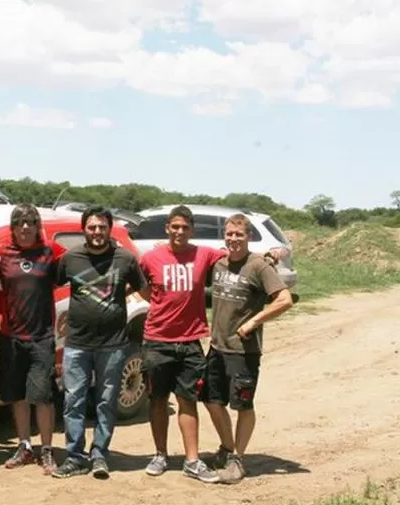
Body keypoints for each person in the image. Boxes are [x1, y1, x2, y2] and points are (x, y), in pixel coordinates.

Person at [138, 205, 287, 484]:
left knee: (191, 401)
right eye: (175, 227)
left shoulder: (207, 255)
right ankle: (163, 454)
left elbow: (249, 260)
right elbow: (140, 283)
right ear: (167, 228)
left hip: (195, 341)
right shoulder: (153, 257)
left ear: (192, 230)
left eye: (185, 227)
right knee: (165, 400)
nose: (179, 231)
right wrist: (158, 303)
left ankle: (196, 460)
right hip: (163, 341)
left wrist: (273, 254)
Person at [51, 206, 148, 480]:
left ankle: (100, 455)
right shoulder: (70, 258)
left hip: (113, 344)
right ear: (84, 229)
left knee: (106, 402)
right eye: (92, 227)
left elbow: (145, 288)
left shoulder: (126, 259)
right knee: (73, 400)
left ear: (109, 228)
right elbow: (51, 285)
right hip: (77, 344)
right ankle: (75, 456)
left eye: (102, 227)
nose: (97, 232)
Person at [203, 213, 293, 484]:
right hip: (217, 347)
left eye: (239, 235)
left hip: (244, 350)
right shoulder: (219, 263)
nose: (233, 239)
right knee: (211, 400)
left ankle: (237, 459)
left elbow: (284, 299)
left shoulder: (259, 266)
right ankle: (227, 448)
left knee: (243, 405)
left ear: (248, 237)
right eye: (229, 234)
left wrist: (253, 322)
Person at [0, 203, 65, 474]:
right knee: (18, 395)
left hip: (41, 337)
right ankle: (25, 446)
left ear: (38, 227)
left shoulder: (50, 253)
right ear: (13, 227)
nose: (25, 227)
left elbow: (75, 266)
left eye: (31, 222)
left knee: (43, 396)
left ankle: (46, 450)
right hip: (11, 336)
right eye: (20, 222)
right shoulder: (3, 256)